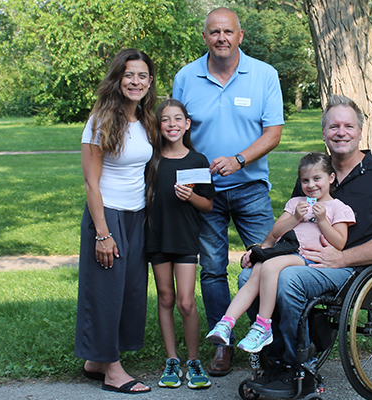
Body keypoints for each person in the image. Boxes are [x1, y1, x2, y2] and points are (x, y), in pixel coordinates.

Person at [240, 95, 372, 396]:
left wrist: (343, 258)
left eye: (348, 126)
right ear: (324, 133)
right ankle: (276, 362)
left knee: (289, 280)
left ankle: (298, 369)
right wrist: (263, 249)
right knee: (247, 277)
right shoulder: (314, 174)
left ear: (359, 131)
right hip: (303, 258)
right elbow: (291, 222)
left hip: (353, 270)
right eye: (333, 126)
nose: (341, 132)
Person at [172, 6, 284, 376]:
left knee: (266, 261)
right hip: (204, 193)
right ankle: (223, 345)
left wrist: (239, 159)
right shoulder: (186, 76)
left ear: (240, 36)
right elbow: (176, 131)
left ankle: (267, 340)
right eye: (214, 32)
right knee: (213, 269)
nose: (221, 38)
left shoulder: (264, 74)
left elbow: (273, 133)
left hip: (250, 186)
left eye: (228, 32)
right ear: (205, 37)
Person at [207, 152, 355, 353]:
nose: (311, 185)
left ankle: (263, 325)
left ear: (330, 178)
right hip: (287, 251)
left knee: (268, 265)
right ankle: (226, 322)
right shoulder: (296, 203)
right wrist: (295, 217)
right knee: (255, 273)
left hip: (309, 258)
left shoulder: (338, 208)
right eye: (305, 180)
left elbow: (340, 242)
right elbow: (276, 232)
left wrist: (322, 220)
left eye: (317, 178)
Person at [77, 48, 157, 394]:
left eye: (142, 75)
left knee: (131, 292)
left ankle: (95, 361)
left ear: (150, 82)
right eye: (129, 75)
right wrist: (102, 234)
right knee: (107, 292)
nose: (135, 81)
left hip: (137, 214)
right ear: (117, 79)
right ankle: (112, 370)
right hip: (107, 215)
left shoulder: (146, 120)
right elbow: (91, 183)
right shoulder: (100, 120)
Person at [144, 99, 215, 389]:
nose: (171, 125)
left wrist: (190, 197)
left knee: (186, 301)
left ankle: (193, 360)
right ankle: (172, 360)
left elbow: (208, 205)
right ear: (158, 126)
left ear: (187, 124)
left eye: (178, 119)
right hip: (157, 238)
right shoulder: (151, 159)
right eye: (165, 120)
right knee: (165, 298)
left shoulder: (198, 161)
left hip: (185, 238)